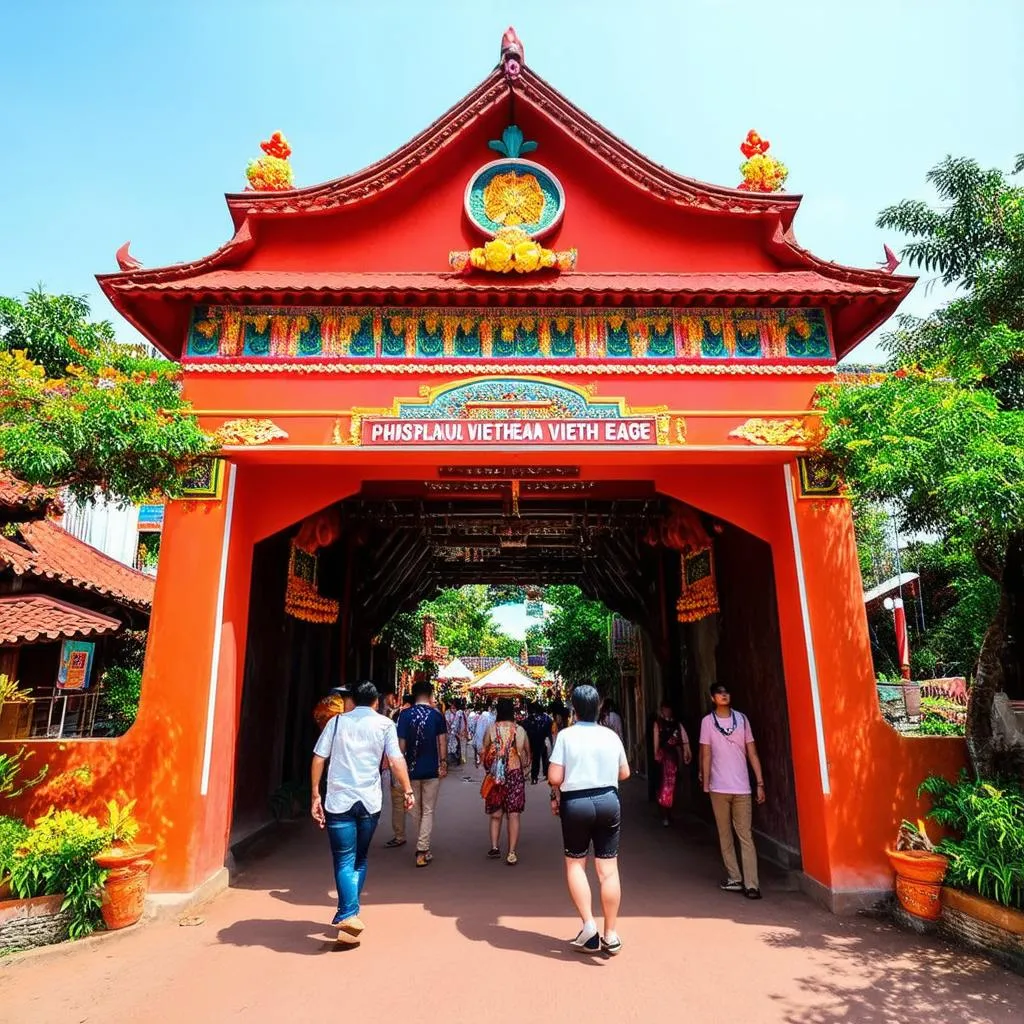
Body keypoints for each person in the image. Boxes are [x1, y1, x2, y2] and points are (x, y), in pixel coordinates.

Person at [311, 680, 414, 944]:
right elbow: (395, 759)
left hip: (339, 800)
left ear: (352, 700)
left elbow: (319, 757)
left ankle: (348, 913)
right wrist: (407, 790)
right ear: (376, 702)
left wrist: (315, 793)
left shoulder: (336, 723)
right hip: (369, 802)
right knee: (360, 858)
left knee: (343, 860)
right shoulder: (384, 724)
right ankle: (350, 914)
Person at [547, 684, 630, 956]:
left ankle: (589, 927)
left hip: (577, 803)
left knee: (576, 864)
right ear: (598, 706)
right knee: (608, 870)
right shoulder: (610, 736)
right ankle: (612, 933)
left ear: (574, 708)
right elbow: (625, 772)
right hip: (608, 800)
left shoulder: (566, 736)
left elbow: (555, 778)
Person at [699, 683, 766, 900]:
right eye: (719, 692)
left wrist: (760, 782)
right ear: (712, 698)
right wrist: (706, 783)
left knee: (745, 835)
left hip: (743, 787)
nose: (724, 695)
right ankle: (735, 878)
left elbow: (752, 752)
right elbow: (706, 754)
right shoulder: (707, 723)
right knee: (725, 834)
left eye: (727, 691)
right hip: (718, 786)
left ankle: (752, 884)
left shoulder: (742, 720)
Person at [396, 680, 448, 867]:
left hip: (409, 770)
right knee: (428, 810)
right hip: (431, 769)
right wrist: (443, 763)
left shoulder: (404, 715)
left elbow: (400, 746)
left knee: (415, 810)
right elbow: (442, 742)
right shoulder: (437, 716)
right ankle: (422, 848)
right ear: (431, 694)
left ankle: (422, 846)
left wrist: (398, 767)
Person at [481, 698, 530, 865]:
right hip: (515, 774)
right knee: (513, 814)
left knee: (496, 814)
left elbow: (484, 749)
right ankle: (511, 852)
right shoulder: (520, 730)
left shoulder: (491, 729)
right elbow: (526, 755)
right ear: (512, 712)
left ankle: (494, 847)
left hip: (496, 776)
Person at [653, 701, 692, 827]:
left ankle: (669, 813)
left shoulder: (676, 724)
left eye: (668, 709)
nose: (667, 711)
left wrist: (687, 751)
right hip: (664, 759)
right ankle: (665, 814)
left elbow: (684, 740)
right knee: (664, 786)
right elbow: (656, 739)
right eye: (665, 709)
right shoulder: (658, 724)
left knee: (674, 785)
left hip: (674, 758)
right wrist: (656, 754)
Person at [524, 701, 553, 785]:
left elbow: (524, 726)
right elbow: (549, 729)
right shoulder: (547, 718)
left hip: (533, 740)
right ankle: (546, 773)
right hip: (543, 739)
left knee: (536, 758)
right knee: (545, 756)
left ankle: (534, 777)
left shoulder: (530, 718)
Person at [472, 701, 496, 767]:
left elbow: (478, 731)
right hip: (486, 742)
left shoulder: (484, 716)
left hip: (483, 741)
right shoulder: (487, 717)